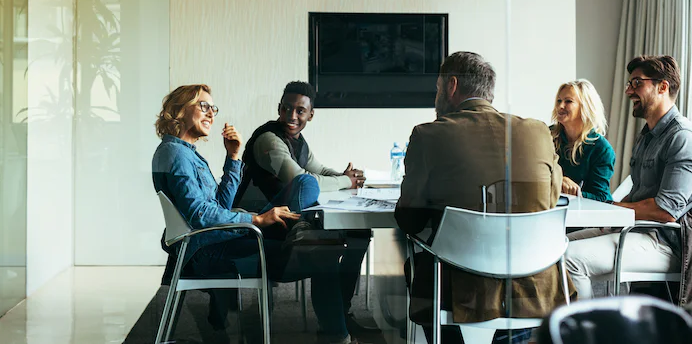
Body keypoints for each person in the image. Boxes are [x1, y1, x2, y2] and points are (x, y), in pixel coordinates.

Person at [152, 84, 364, 344]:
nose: (210, 114)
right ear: (178, 111)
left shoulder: (183, 153)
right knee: (324, 255)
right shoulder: (176, 155)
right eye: (203, 106)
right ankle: (338, 337)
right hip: (211, 252)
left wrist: (233, 157)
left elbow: (220, 206)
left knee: (308, 195)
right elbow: (200, 215)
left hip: (219, 241)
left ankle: (301, 236)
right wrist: (256, 219)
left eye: (212, 108)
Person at [395, 51, 572, 344]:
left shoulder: (428, 135)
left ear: (452, 85)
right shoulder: (538, 131)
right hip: (536, 285)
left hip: (461, 291)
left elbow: (410, 219)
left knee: (415, 262)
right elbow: (549, 201)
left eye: (438, 89)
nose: (436, 96)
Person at [234, 81, 379, 339]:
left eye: (300, 111)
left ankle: (341, 311)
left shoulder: (299, 141)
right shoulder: (269, 139)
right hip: (259, 222)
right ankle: (336, 328)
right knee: (306, 190)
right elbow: (302, 179)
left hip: (288, 219)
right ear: (279, 109)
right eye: (287, 109)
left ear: (310, 114)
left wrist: (346, 176)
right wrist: (346, 182)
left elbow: (319, 170)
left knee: (359, 231)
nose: (292, 116)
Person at [566, 55, 692, 302]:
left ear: (662, 87)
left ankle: (583, 334)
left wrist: (613, 210)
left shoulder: (682, 138)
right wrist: (612, 214)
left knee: (570, 257)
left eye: (636, 83)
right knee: (554, 247)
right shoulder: (646, 136)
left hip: (665, 242)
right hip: (636, 230)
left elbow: (665, 210)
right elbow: (637, 193)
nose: (627, 90)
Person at [550, 79, 615, 201]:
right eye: (559, 100)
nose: (560, 106)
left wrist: (574, 192)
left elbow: (602, 197)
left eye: (568, 101)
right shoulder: (547, 136)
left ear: (586, 107)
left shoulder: (601, 149)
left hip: (581, 214)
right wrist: (559, 180)